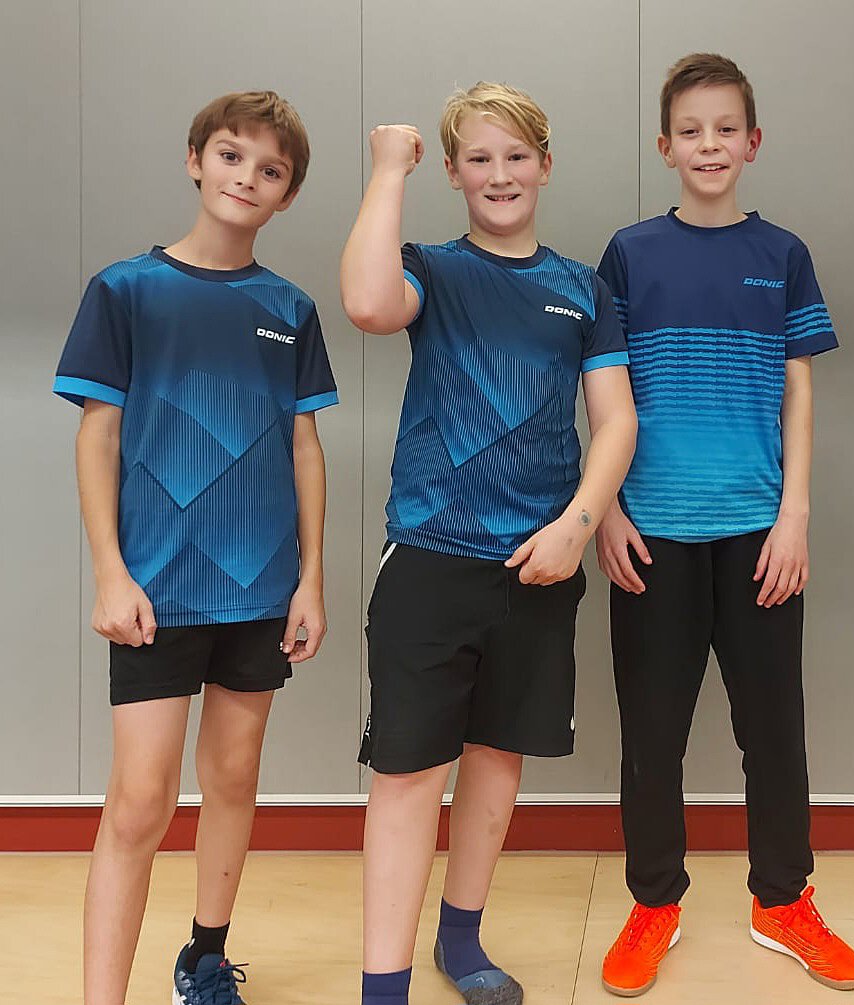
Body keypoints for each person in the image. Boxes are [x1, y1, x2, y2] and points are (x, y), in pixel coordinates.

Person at [339, 81, 637, 1005]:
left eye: (515, 156)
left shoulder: (583, 289)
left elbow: (616, 422)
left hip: (539, 564)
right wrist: (387, 170)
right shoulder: (431, 268)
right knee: (407, 774)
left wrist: (575, 526)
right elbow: (367, 303)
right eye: (478, 158)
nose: (499, 174)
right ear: (454, 171)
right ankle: (382, 985)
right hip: (431, 556)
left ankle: (461, 942)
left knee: (497, 763)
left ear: (544, 165)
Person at [594, 52, 854, 997]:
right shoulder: (629, 253)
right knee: (652, 735)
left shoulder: (782, 254)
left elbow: (799, 392)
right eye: (690, 130)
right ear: (664, 145)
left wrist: (795, 515)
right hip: (649, 532)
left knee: (774, 730)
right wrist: (605, 509)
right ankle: (654, 903)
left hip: (759, 532)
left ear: (753, 143)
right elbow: (603, 388)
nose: (707, 145)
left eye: (725, 129)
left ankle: (782, 901)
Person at [53, 90, 337, 1005]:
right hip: (154, 591)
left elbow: (304, 447)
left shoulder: (289, 309)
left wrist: (311, 581)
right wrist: (110, 572)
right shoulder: (126, 290)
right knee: (139, 800)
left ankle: (204, 962)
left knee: (234, 776)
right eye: (230, 155)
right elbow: (98, 435)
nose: (246, 177)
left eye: (270, 169)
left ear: (287, 193)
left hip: (259, 587)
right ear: (195, 160)